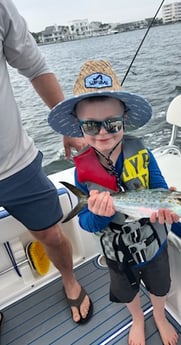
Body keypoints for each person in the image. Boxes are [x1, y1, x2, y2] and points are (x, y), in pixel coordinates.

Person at [48, 60, 179, 345]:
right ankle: (136, 319)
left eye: (112, 123)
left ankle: (159, 314)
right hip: (116, 253)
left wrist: (165, 204)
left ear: (124, 120)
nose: (102, 132)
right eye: (91, 125)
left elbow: (157, 188)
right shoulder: (81, 171)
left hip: (153, 243)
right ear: (79, 128)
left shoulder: (141, 152)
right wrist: (100, 214)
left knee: (159, 285)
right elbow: (86, 223)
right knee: (127, 291)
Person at [0, 0, 92, 324]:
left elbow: (35, 67)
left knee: (52, 234)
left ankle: (69, 278)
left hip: (15, 165)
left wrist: (68, 126)